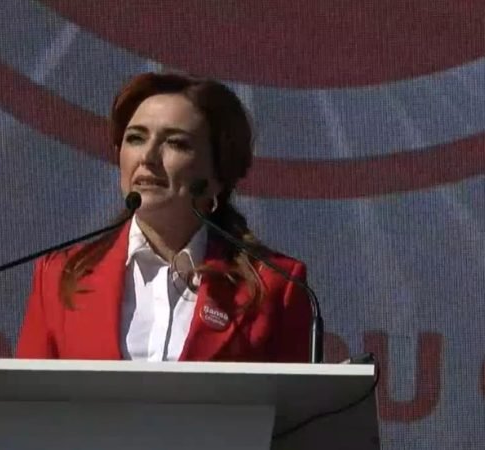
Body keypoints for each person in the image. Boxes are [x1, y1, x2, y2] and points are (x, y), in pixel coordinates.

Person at [16, 72, 311, 362]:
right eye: (136, 138)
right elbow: (27, 392)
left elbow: (292, 396)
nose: (147, 157)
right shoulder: (59, 277)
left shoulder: (275, 285)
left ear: (218, 174)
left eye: (176, 143)